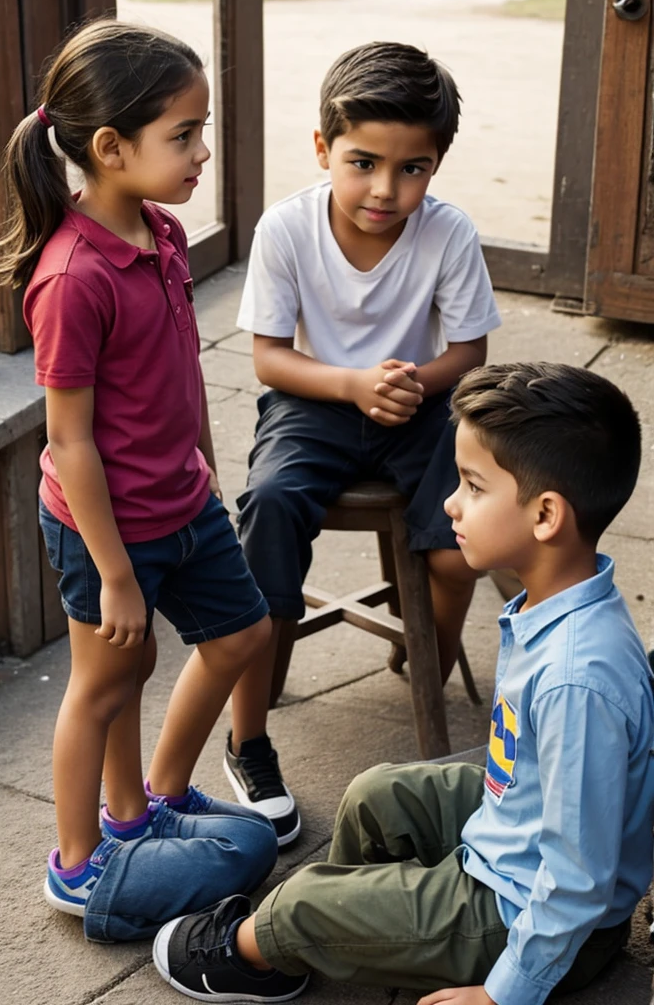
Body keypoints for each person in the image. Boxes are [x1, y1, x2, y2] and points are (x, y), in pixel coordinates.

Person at [152, 361, 654, 1005]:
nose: (450, 502)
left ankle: (269, 947)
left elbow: (577, 878)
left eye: (472, 485)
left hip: (528, 918)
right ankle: (379, 929)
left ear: (546, 515)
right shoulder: (559, 604)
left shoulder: (576, 677)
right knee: (374, 793)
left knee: (298, 904)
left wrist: (505, 994)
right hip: (515, 835)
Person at [0, 18, 279, 919]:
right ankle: (80, 864)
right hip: (102, 525)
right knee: (108, 680)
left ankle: (143, 805)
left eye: (203, 129)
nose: (202, 153)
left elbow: (180, 367)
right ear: (110, 148)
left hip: (183, 501)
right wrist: (115, 572)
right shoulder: (72, 277)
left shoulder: (159, 229)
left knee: (240, 635)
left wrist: (206, 462)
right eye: (183, 135)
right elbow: (69, 440)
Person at [226, 41, 501, 839]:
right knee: (271, 509)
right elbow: (270, 357)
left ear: (437, 163)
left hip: (422, 400)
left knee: (455, 549)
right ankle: (247, 736)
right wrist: (350, 383)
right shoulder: (286, 228)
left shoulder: (448, 235)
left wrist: (413, 379)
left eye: (412, 168)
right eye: (363, 162)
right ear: (323, 149)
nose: (386, 189)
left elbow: (471, 352)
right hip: (314, 398)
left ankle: (430, 663)